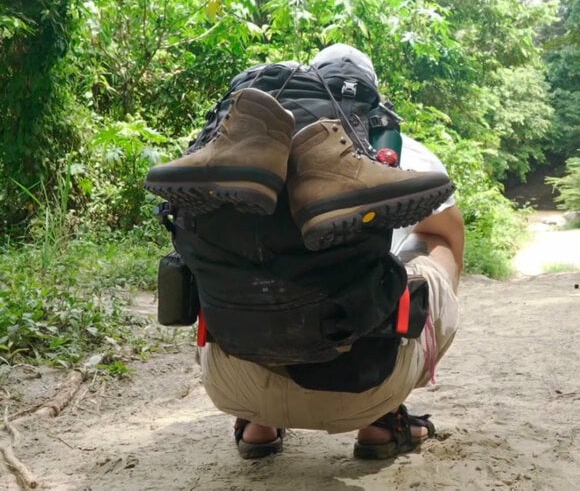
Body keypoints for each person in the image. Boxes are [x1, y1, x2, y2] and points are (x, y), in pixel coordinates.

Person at [155, 44, 463, 460]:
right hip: (366, 388)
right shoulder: (408, 152)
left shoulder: (242, 156)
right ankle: (381, 422)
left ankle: (257, 423)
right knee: (435, 245)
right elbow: (449, 237)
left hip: (233, 384)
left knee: (233, 263)